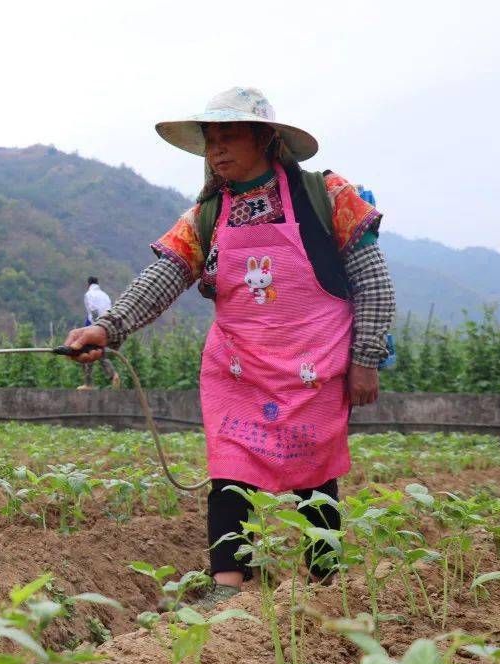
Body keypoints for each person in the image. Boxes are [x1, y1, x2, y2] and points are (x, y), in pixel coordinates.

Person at [64, 87, 396, 609]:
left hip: (314, 367)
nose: (216, 149)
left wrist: (366, 359)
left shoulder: (326, 196)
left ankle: (325, 582)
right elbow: (166, 273)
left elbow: (373, 281)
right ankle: (227, 587)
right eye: (210, 139)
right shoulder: (207, 215)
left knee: (315, 474)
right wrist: (109, 328)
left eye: (230, 136)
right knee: (229, 472)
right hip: (237, 368)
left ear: (265, 138)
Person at [79, 276, 121, 390]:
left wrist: (95, 326)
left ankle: (88, 384)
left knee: (87, 353)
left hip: (95, 326)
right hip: (107, 326)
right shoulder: (105, 295)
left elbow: (92, 310)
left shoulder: (89, 295)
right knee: (100, 354)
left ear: (88, 284)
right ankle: (113, 375)